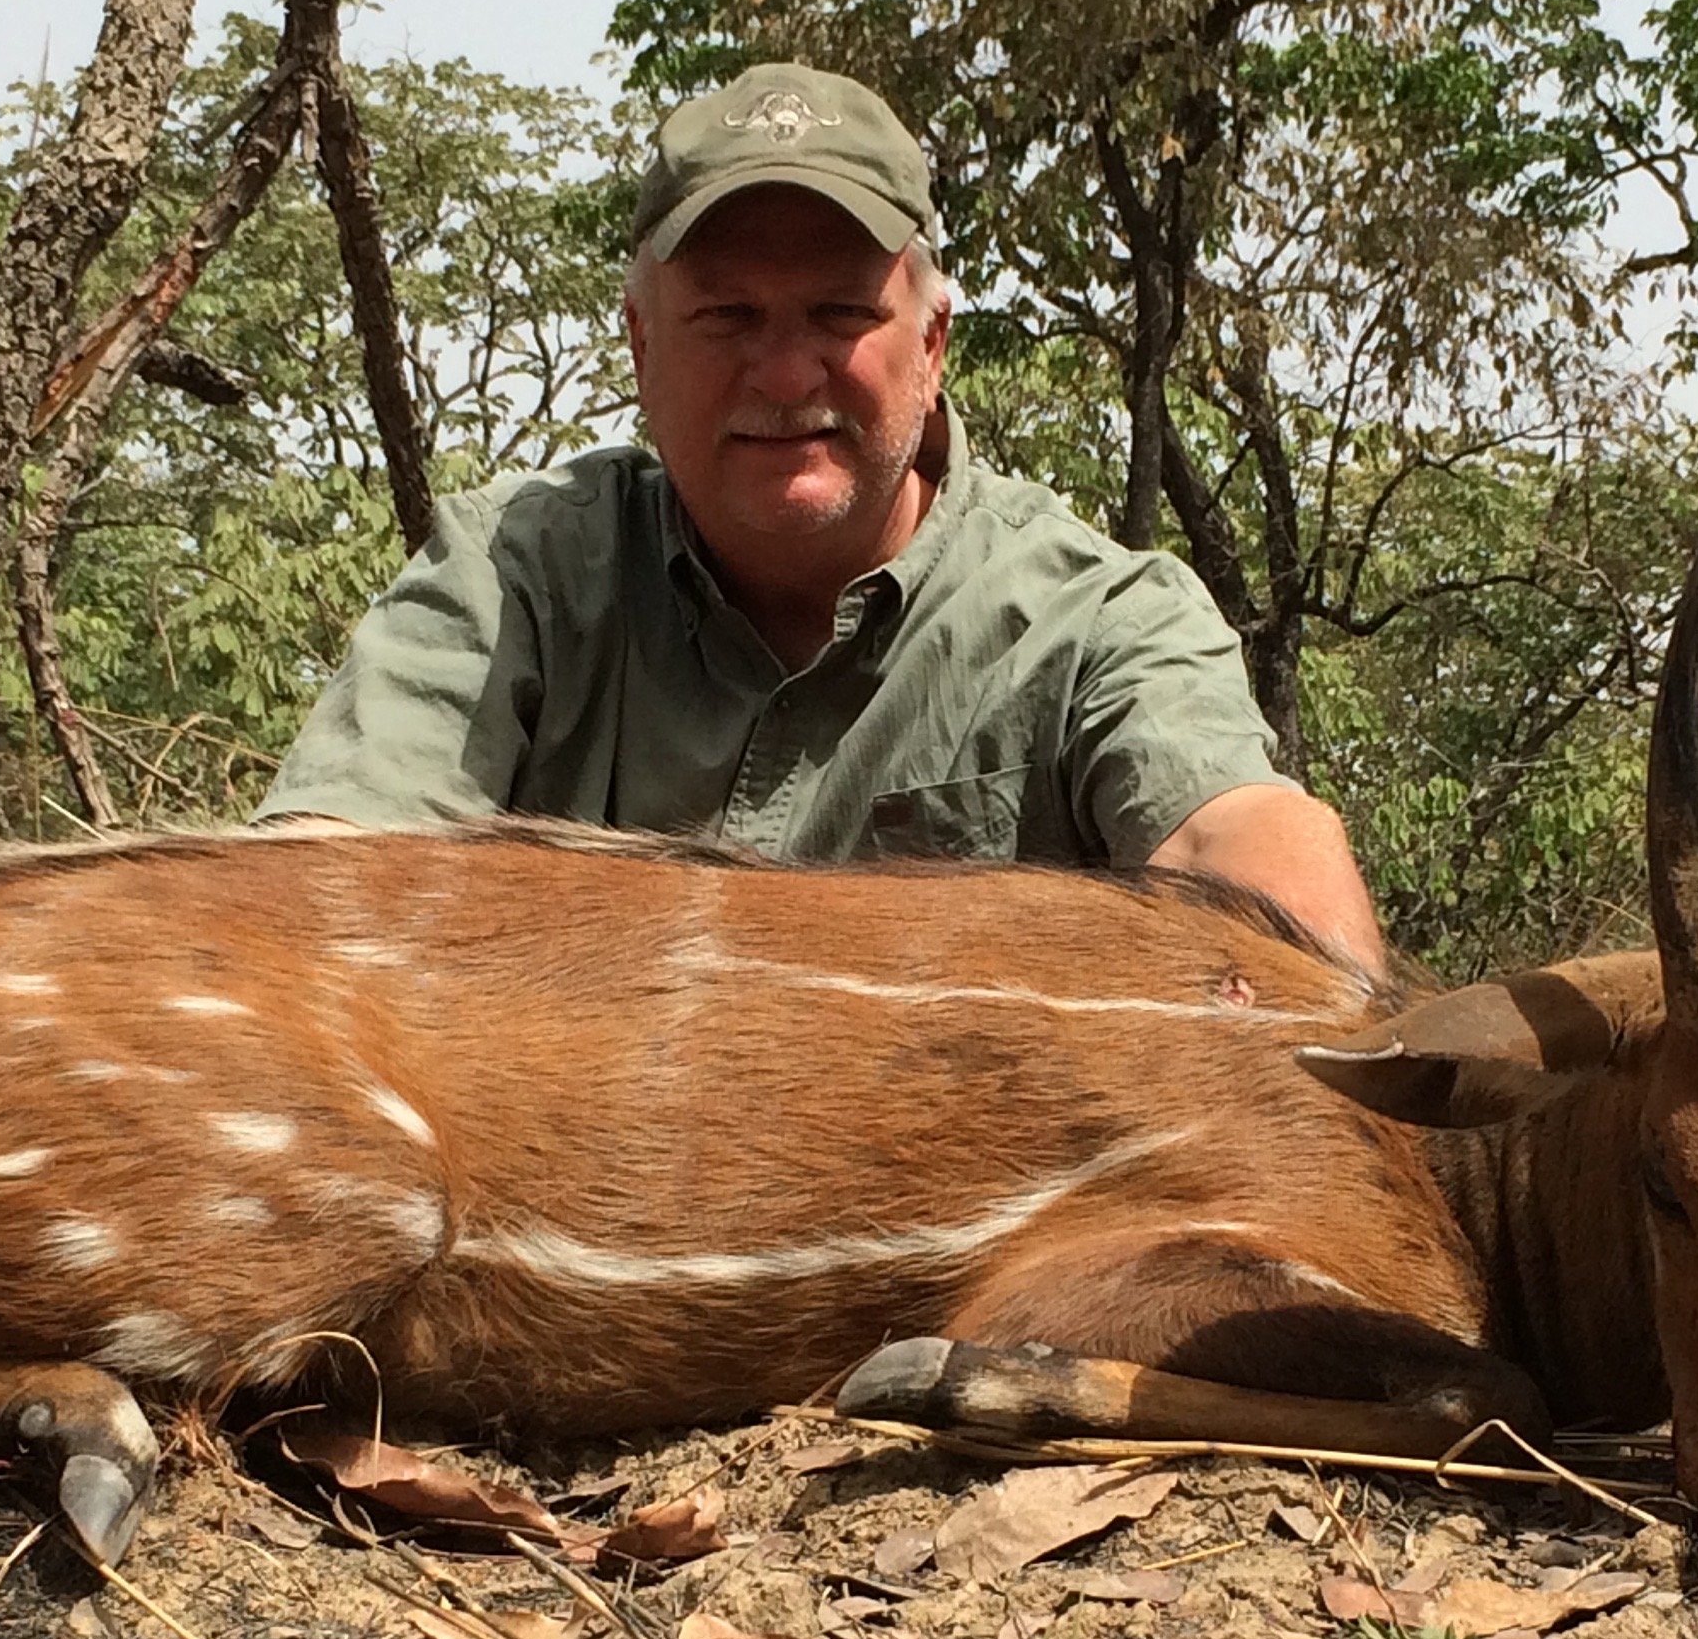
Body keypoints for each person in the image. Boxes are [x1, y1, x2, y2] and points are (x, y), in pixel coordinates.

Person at [256, 61, 1389, 973]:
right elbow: (321, 876)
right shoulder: (518, 570)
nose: (787, 371)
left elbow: (1229, 834)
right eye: (729, 316)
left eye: (842, 313)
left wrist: (1328, 1000)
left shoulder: (1094, 615)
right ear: (642, 346)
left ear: (933, 347)